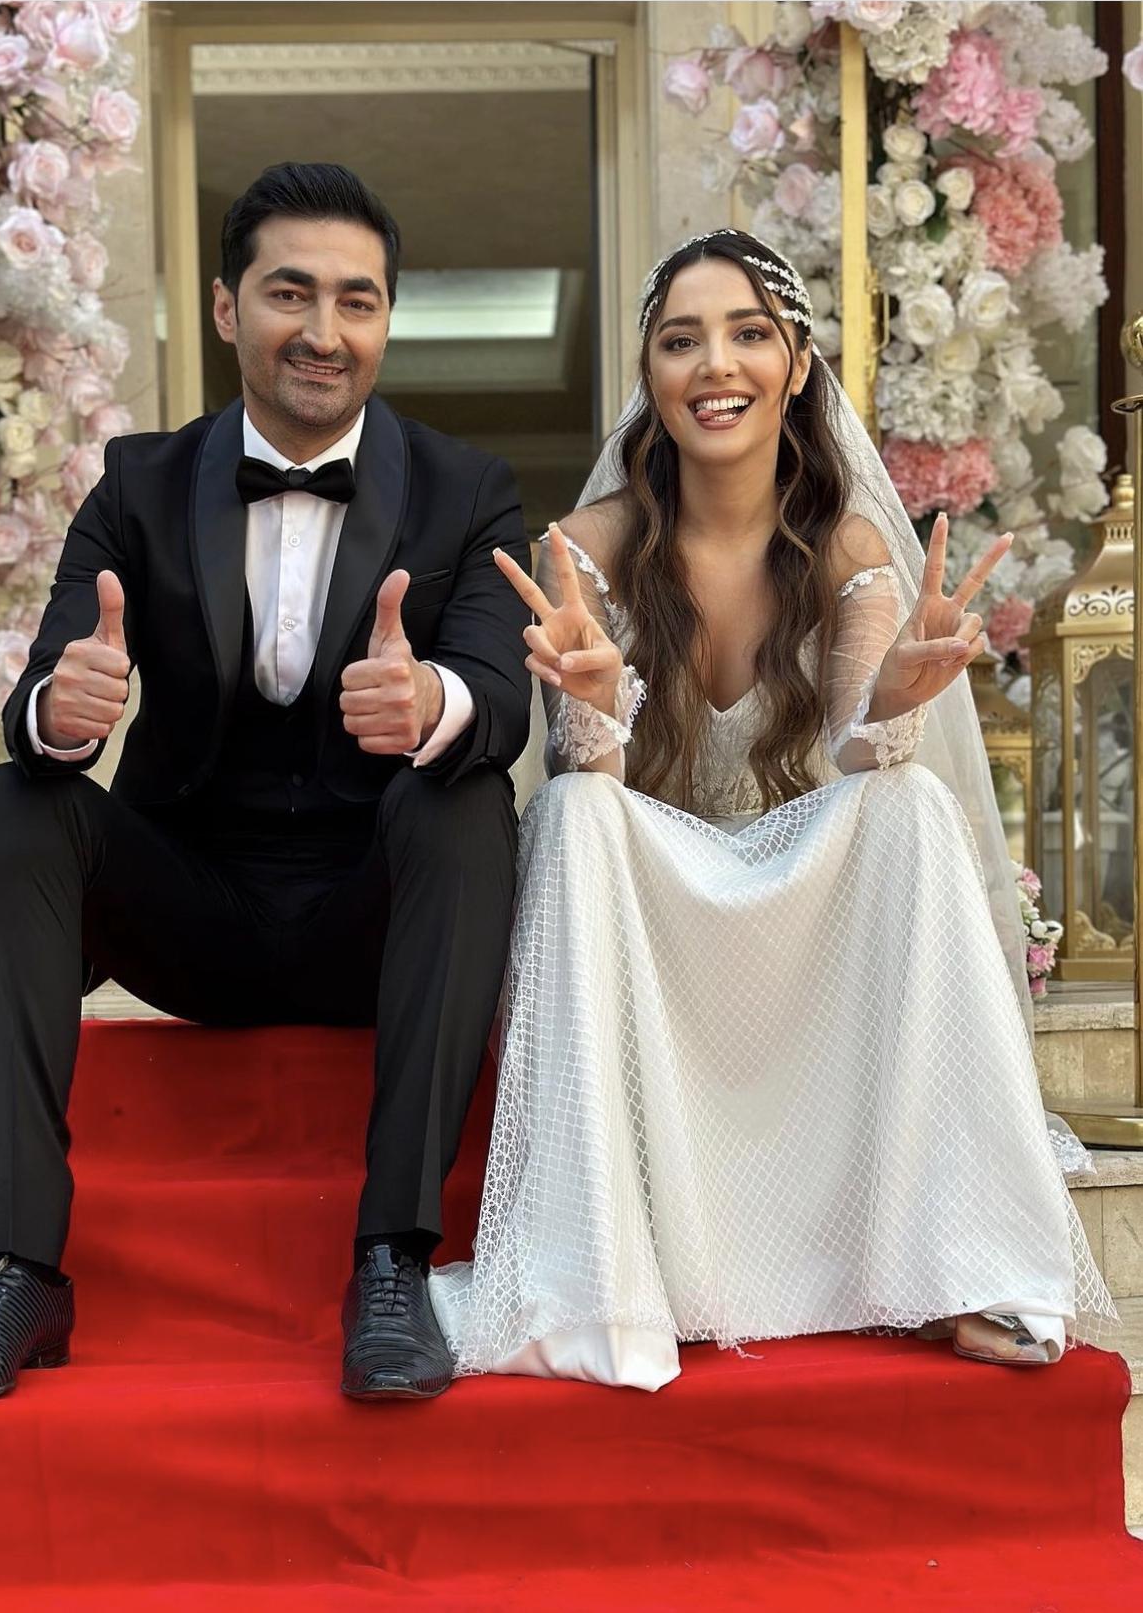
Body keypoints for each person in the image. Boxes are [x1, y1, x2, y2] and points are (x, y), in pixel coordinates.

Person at [430, 230, 1115, 1389]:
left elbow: (853, 755)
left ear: (797, 365)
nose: (716, 364)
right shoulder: (583, 549)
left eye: (748, 333)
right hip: (652, 919)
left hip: (797, 914)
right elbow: (590, 777)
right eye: (681, 340)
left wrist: (891, 701)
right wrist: (592, 706)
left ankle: (970, 1263)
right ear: (650, 374)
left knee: (909, 804)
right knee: (575, 816)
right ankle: (593, 1284)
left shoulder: (847, 542)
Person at [0, 162, 532, 1406]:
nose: (324, 329)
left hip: (372, 921)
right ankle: (15, 1269)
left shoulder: (467, 489)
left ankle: (394, 1262)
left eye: (357, 300)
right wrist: (60, 710)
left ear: (386, 320)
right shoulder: (138, 482)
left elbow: (503, 699)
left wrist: (435, 702)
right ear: (229, 307)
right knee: (12, 799)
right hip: (189, 915)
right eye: (291, 293)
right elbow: (50, 682)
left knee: (465, 796)